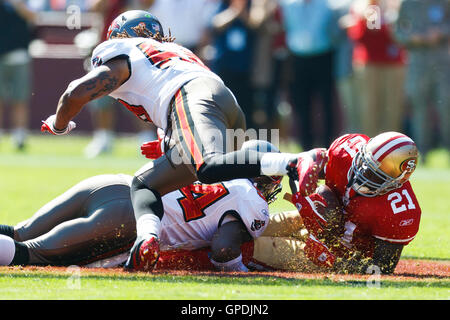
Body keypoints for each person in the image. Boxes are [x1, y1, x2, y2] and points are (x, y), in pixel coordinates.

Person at [40, 10, 317, 272]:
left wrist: (59, 123)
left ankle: (294, 161)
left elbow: (75, 92)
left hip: (191, 97)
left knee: (208, 167)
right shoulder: (173, 54)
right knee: (146, 184)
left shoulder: (124, 49)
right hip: (222, 104)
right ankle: (146, 239)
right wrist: (166, 146)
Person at [0, 140, 282, 272]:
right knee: (33, 254)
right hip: (128, 219)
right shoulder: (251, 201)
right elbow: (224, 249)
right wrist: (240, 270)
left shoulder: (206, 162)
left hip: (109, 183)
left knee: (21, 231)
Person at [394, 0, 450, 156]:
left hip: (442, 64)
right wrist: (413, 38)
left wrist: (440, 32)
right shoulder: (407, 3)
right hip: (418, 63)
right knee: (419, 107)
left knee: (446, 105)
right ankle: (421, 151)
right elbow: (397, 31)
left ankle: (448, 147)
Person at [347, 0, 407, 138]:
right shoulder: (364, 6)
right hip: (369, 62)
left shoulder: (396, 4)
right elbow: (362, 34)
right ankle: (370, 146)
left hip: (393, 62)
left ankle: (392, 144)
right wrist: (363, 19)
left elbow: (402, 32)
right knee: (370, 105)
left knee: (393, 106)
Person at [0, 0, 36, 150]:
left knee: (20, 98)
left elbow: (33, 16)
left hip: (19, 55)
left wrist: (17, 4)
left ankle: (20, 136)